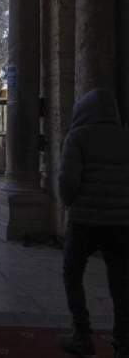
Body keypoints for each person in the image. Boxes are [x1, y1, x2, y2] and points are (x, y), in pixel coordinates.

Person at [57, 88, 129, 358]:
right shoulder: (125, 136)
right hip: (122, 223)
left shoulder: (78, 137)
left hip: (85, 220)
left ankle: (82, 334)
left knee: (72, 273)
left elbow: (68, 180)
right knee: (121, 281)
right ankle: (123, 340)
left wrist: (68, 203)